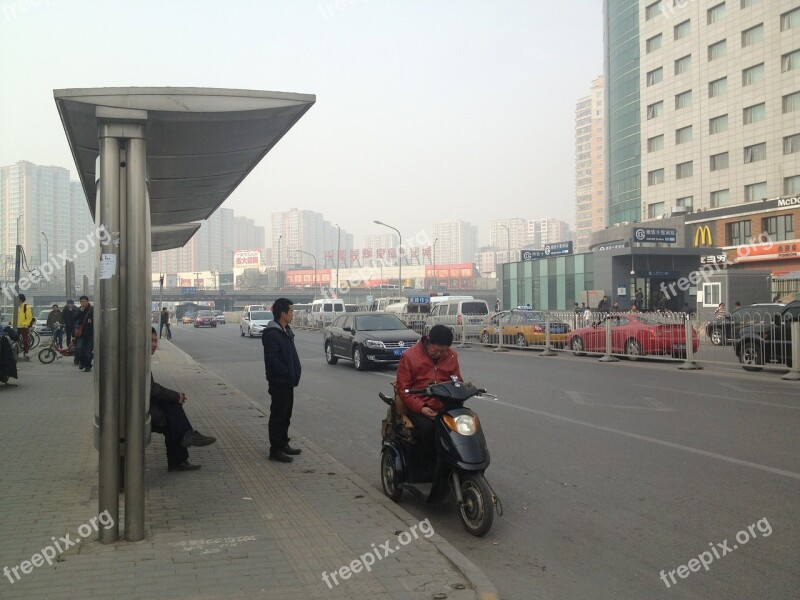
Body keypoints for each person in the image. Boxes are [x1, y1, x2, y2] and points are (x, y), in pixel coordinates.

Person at [149, 328, 215, 471]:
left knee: (173, 410)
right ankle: (182, 449)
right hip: (135, 412)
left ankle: (183, 448)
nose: (154, 344)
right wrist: (176, 396)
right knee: (173, 417)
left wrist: (174, 396)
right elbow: (151, 389)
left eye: (155, 341)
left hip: (138, 406)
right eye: (151, 341)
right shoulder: (138, 362)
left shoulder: (139, 359)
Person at [396, 324, 462, 462]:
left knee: (466, 426)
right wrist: (422, 408)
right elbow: (403, 389)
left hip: (445, 406)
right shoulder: (409, 356)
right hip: (420, 406)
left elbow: (457, 381)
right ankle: (434, 464)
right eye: (437, 350)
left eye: (445, 351)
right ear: (428, 342)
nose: (441, 354)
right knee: (428, 429)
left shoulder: (451, 356)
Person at [262, 297, 302, 463]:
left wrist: (295, 372)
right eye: (291, 311)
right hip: (279, 381)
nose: (293, 313)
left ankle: (284, 443)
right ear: (283, 313)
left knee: (286, 414)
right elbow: (272, 360)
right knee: (278, 415)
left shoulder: (285, 330)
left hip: (288, 381)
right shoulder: (272, 334)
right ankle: (275, 449)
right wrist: (287, 372)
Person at [75, 295, 94, 372]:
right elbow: (74, 318)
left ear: (87, 301)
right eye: (81, 301)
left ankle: (88, 366)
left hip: (90, 334)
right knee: (78, 349)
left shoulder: (92, 309)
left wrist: (91, 320)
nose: (82, 303)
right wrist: (80, 312)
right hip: (81, 334)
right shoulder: (79, 309)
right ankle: (82, 362)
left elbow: (97, 318)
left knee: (88, 351)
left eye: (84, 301)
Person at [16, 294, 33, 361]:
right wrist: (12, 323)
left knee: (25, 340)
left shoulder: (26, 307)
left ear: (21, 299)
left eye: (17, 298)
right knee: (15, 339)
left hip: (24, 327)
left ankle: (26, 353)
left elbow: (29, 318)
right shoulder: (15, 307)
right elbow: (13, 316)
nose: (16, 300)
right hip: (16, 326)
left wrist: (25, 324)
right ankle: (16, 352)